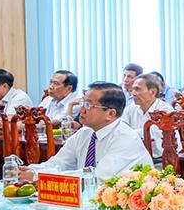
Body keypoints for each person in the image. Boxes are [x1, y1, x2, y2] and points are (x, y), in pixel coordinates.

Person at [18, 82, 152, 181]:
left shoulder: (125, 138)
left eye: (88, 105)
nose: (81, 110)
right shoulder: (85, 133)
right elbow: (59, 163)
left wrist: (39, 176)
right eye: (82, 103)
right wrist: (32, 170)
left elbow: (97, 177)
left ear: (110, 114)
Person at [122, 73, 175, 157]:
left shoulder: (165, 110)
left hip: (162, 158)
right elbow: (121, 127)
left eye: (137, 89)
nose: (133, 93)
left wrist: (128, 134)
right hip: (136, 156)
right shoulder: (131, 108)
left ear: (152, 92)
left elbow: (153, 132)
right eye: (132, 89)